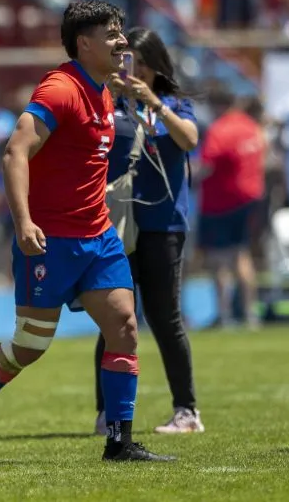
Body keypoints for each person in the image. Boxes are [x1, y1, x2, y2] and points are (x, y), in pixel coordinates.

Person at [0, 0, 176, 463]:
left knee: (124, 326)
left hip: (99, 238)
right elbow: (14, 152)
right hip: (51, 241)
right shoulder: (60, 90)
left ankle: (119, 440)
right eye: (111, 34)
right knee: (29, 345)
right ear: (83, 44)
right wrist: (24, 221)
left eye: (120, 32)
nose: (121, 41)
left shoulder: (104, 89)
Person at [92, 28, 204, 436]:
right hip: (117, 224)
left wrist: (152, 102)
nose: (128, 70)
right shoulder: (105, 104)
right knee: (117, 316)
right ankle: (107, 414)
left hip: (162, 225)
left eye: (136, 62)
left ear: (154, 66)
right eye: (123, 60)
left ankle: (187, 411)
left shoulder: (173, 105)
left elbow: (189, 139)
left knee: (164, 317)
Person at [196, 86, 266, 328]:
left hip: (221, 202)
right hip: (250, 198)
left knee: (220, 259)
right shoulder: (250, 126)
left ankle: (224, 314)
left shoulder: (220, 129)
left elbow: (206, 166)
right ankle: (250, 314)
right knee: (242, 255)